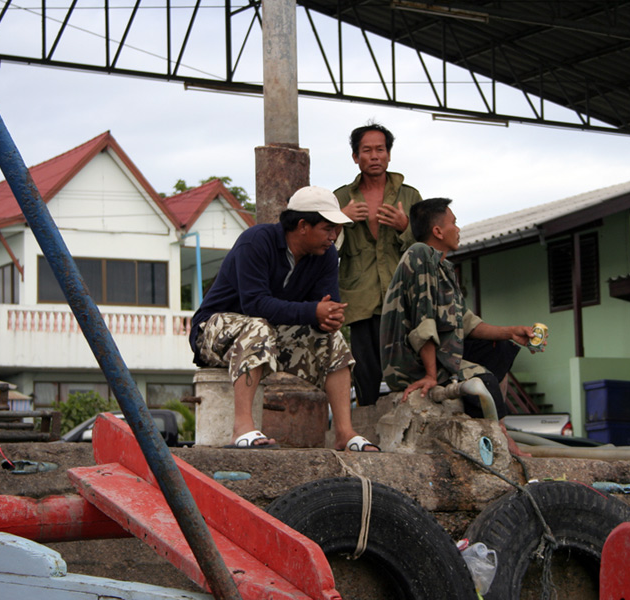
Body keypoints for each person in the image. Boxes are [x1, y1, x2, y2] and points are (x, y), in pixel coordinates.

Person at [189, 186, 379, 452]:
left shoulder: (326, 255)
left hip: (270, 333)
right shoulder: (256, 241)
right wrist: (313, 312)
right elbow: (255, 304)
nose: (334, 236)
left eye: (336, 229)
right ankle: (241, 428)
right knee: (258, 325)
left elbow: (324, 305)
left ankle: (344, 433)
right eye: (328, 228)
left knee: (332, 340)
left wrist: (328, 319)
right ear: (303, 225)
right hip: (212, 331)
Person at [379, 198, 535, 456]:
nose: (458, 228)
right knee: (484, 379)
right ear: (438, 231)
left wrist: (511, 331)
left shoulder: (444, 267)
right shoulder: (421, 254)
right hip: (411, 362)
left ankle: (500, 428)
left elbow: (467, 323)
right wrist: (430, 375)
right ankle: (500, 439)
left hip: (438, 356)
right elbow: (423, 321)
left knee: (501, 349)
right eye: (453, 222)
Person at [335, 122, 423, 407]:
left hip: (402, 295)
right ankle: (365, 427)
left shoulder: (409, 196)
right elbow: (323, 247)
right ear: (355, 157)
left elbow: (426, 249)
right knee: (365, 371)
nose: (374, 156)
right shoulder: (340, 198)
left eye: (380, 149)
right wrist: (341, 218)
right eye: (367, 150)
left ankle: (413, 423)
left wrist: (405, 226)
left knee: (409, 365)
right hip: (360, 298)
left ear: (388, 154)